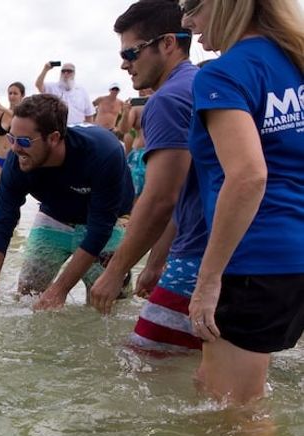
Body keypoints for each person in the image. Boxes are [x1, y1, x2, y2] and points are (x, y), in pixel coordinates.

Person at [181, 0, 304, 405]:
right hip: (295, 255)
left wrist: (209, 279)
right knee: (209, 385)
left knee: (235, 412)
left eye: (190, 5)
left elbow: (249, 175)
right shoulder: (296, 59)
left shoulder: (224, 72)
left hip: (257, 259)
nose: (186, 21)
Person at [89, 0, 206, 356]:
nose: (125, 63)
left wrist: (115, 271)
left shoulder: (167, 100)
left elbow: (160, 198)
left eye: (132, 51)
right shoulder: (202, 83)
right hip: (243, 254)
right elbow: (188, 190)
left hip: (200, 258)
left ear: (168, 43)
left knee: (139, 364)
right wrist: (155, 262)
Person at [0, 94, 134, 310]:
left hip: (109, 220)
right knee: (28, 296)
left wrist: (60, 289)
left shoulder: (103, 152)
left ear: (53, 138)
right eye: (12, 139)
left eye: (23, 141)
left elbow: (100, 230)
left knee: (106, 304)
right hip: (55, 215)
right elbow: (1, 223)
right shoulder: (18, 159)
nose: (15, 148)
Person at [0, 82, 26, 187]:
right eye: (10, 93)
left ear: (22, 95)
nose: (12, 96)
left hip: (15, 160)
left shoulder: (24, 115)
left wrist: (1, 107)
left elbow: (19, 118)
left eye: (15, 93)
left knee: (14, 193)